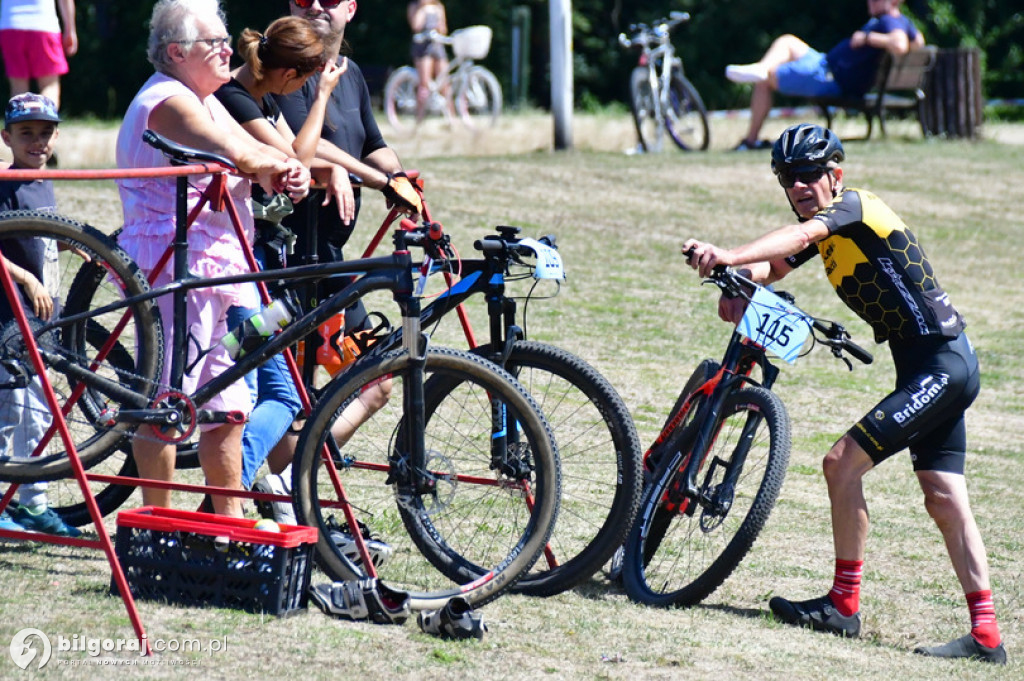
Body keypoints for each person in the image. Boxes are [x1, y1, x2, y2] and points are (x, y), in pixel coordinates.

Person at [681, 123, 1006, 665]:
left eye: (811, 174)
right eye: (789, 177)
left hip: (943, 365)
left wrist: (729, 254)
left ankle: (843, 605)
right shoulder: (824, 227)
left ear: (836, 175)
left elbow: (799, 240)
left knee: (841, 464)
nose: (801, 186)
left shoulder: (855, 207)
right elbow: (777, 263)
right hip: (930, 367)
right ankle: (987, 638)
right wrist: (737, 280)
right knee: (943, 497)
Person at [115, 0, 309, 517]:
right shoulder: (167, 101)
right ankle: (158, 522)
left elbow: (256, 151)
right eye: (214, 43)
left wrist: (289, 170)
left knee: (228, 405)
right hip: (176, 268)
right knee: (167, 397)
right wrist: (274, 166)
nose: (229, 49)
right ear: (177, 52)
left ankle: (225, 524)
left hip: (221, 268)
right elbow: (239, 153)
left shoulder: (204, 98)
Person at [248, 0, 421, 518]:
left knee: (379, 379)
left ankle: (285, 475)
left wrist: (401, 179)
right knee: (294, 391)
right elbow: (301, 150)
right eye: (307, 0)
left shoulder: (348, 76)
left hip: (332, 263)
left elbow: (374, 144)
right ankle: (282, 491)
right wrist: (341, 171)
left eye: (331, 0)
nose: (319, 6)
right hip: (287, 268)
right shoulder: (289, 71)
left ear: (351, 8)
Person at [213, 15, 353, 492]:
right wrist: (323, 98)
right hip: (238, 269)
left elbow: (308, 159)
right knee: (277, 388)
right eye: (307, 78)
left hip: (254, 265)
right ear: (290, 75)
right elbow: (300, 156)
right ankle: (232, 486)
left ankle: (237, 479)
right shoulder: (235, 99)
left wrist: (375, 179)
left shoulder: (260, 95)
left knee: (252, 368)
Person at [0, 92, 80, 537]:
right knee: (19, 411)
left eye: (45, 132)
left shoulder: (43, 180)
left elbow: (43, 235)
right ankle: (26, 503)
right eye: (26, 133)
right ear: (6, 136)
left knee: (42, 412)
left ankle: (32, 502)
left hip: (43, 315)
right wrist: (25, 280)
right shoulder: (5, 183)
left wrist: (79, 247)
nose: (37, 141)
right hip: (11, 317)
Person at [726, 0, 923, 151]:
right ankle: (763, 67)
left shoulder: (888, 20)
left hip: (830, 77)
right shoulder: (899, 21)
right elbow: (918, 42)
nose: (870, 2)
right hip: (824, 63)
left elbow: (900, 45)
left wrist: (867, 37)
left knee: (764, 79)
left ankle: (750, 140)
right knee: (788, 42)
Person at [0, 0, 77, 109]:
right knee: (49, 85)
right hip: (43, 25)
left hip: (10, 25)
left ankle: (21, 125)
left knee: (18, 90)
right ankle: (45, 124)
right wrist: (70, 30)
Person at [407, 0, 451, 122]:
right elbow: (415, 26)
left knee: (445, 83)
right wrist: (423, 9)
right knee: (424, 84)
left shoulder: (438, 7)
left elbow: (444, 29)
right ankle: (419, 119)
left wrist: (439, 26)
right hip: (422, 47)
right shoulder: (414, 6)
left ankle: (451, 118)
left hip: (437, 45)